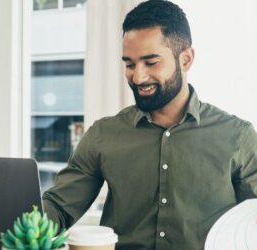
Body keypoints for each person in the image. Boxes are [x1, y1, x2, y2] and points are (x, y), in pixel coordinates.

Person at [42, 1, 257, 249]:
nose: (138, 77)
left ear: (186, 59)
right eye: (129, 64)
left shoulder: (237, 137)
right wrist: (15, 227)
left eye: (151, 62)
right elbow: (57, 209)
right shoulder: (104, 135)